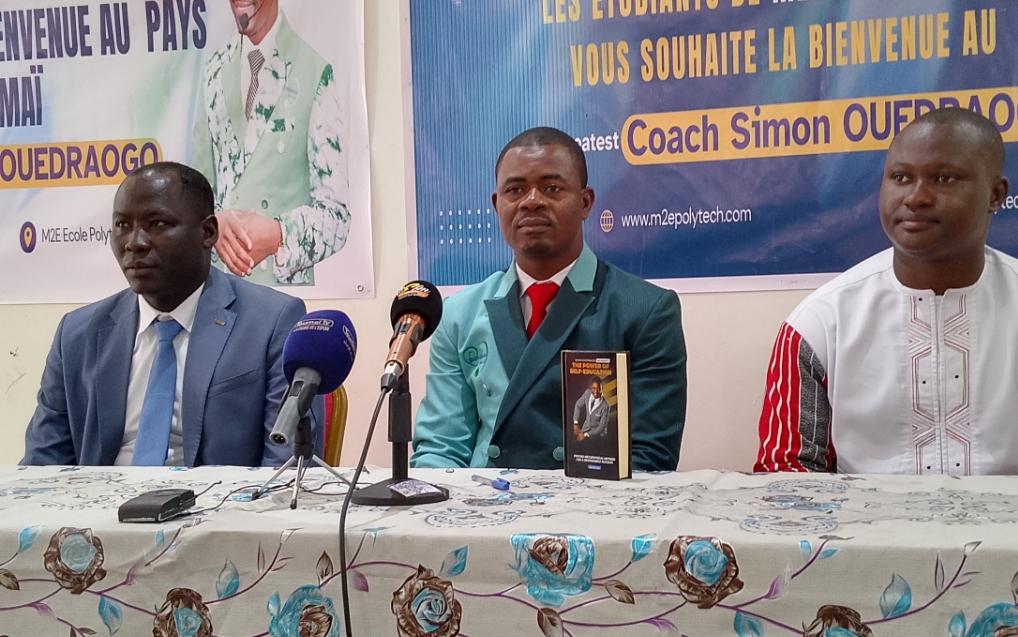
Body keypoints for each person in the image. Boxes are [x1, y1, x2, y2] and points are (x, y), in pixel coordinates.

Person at [756, 107, 1015, 475]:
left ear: (995, 195)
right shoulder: (820, 324)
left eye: (943, 178)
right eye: (901, 177)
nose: (916, 197)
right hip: (859, 515)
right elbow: (785, 474)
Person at [411, 127, 687, 471]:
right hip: (481, 500)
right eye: (514, 190)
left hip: (593, 502)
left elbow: (649, 460)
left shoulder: (645, 311)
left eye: (551, 188)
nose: (531, 201)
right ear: (497, 205)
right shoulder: (458, 314)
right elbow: (440, 448)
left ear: (585, 202)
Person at [22, 162, 320, 467]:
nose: (135, 243)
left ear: (208, 232)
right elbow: (41, 468)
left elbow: (285, 468)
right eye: (122, 225)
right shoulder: (77, 334)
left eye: (158, 224)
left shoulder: (272, 323)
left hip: (219, 497)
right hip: (101, 495)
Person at [191, 0, 351, 286]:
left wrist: (279, 235)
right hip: (220, 289)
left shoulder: (314, 71)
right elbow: (195, 192)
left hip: (282, 294)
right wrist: (215, 224)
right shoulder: (214, 70)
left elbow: (336, 217)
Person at [572, 378, 610, 442]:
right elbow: (578, 405)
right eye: (594, 388)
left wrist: (585, 435)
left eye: (599, 389)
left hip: (598, 435)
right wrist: (575, 423)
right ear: (591, 387)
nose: (596, 391)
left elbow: (602, 426)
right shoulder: (587, 393)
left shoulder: (606, 406)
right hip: (585, 429)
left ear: (602, 389)